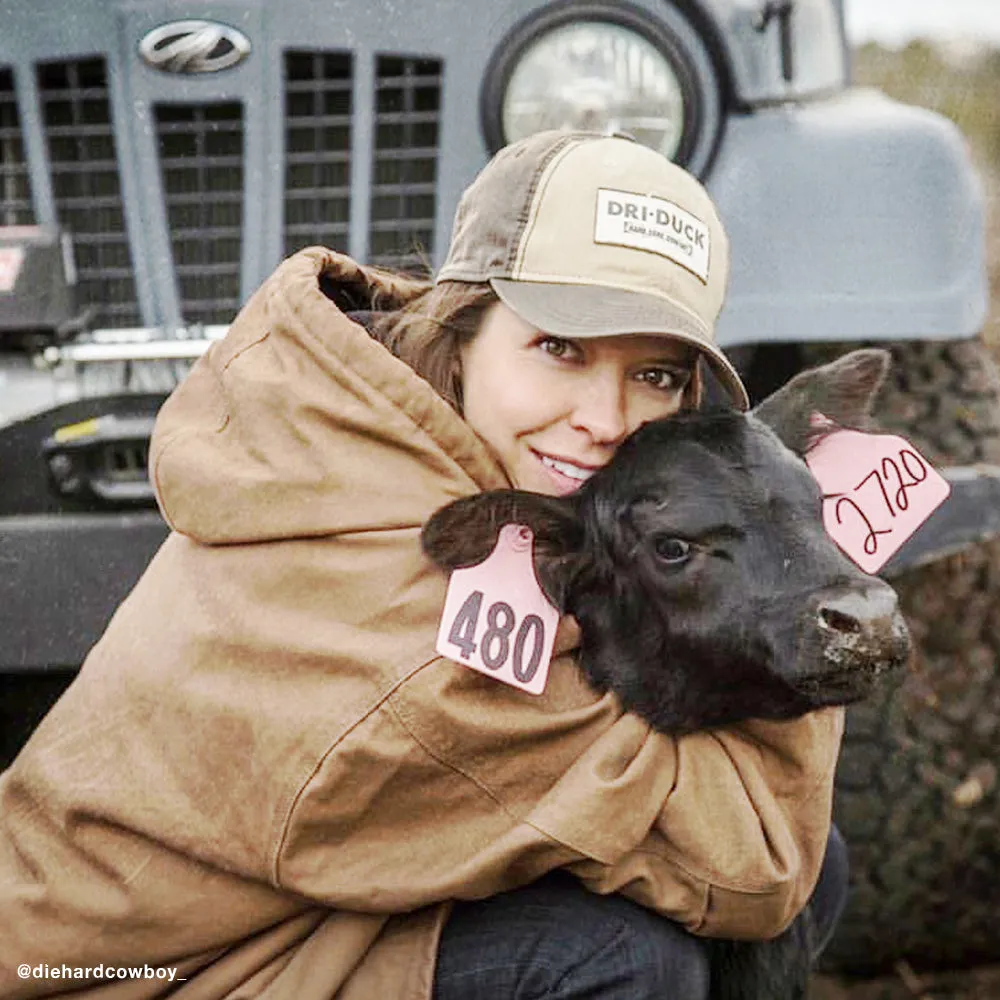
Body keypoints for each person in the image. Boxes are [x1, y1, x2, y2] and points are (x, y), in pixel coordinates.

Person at [0, 130, 847, 999]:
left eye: (659, 376)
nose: (605, 417)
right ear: (462, 327)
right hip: (116, 976)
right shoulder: (391, 594)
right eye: (561, 347)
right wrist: (800, 594)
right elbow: (759, 864)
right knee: (626, 956)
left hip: (302, 913)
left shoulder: (416, 434)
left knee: (787, 882)